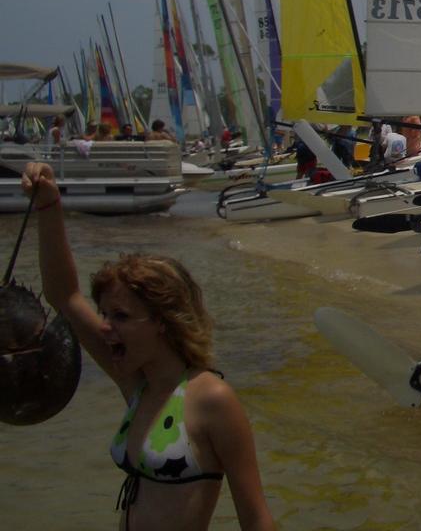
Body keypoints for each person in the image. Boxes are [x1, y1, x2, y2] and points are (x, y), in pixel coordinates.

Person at [21, 162, 275, 531]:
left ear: (162, 322)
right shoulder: (138, 385)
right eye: (104, 313)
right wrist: (49, 205)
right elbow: (64, 295)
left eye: (121, 316)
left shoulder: (212, 399)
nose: (105, 327)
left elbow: (256, 519)